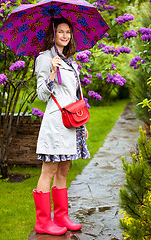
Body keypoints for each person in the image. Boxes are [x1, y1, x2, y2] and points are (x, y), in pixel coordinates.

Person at [33, 18, 90, 235]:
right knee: (50, 169)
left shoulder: (69, 60)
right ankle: (43, 222)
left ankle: (61, 216)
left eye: (68, 32)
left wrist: (81, 123)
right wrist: (51, 73)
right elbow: (41, 94)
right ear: (52, 34)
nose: (65, 36)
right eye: (60, 32)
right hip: (56, 123)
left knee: (64, 169)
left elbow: (75, 94)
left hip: (72, 122)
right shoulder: (45, 58)